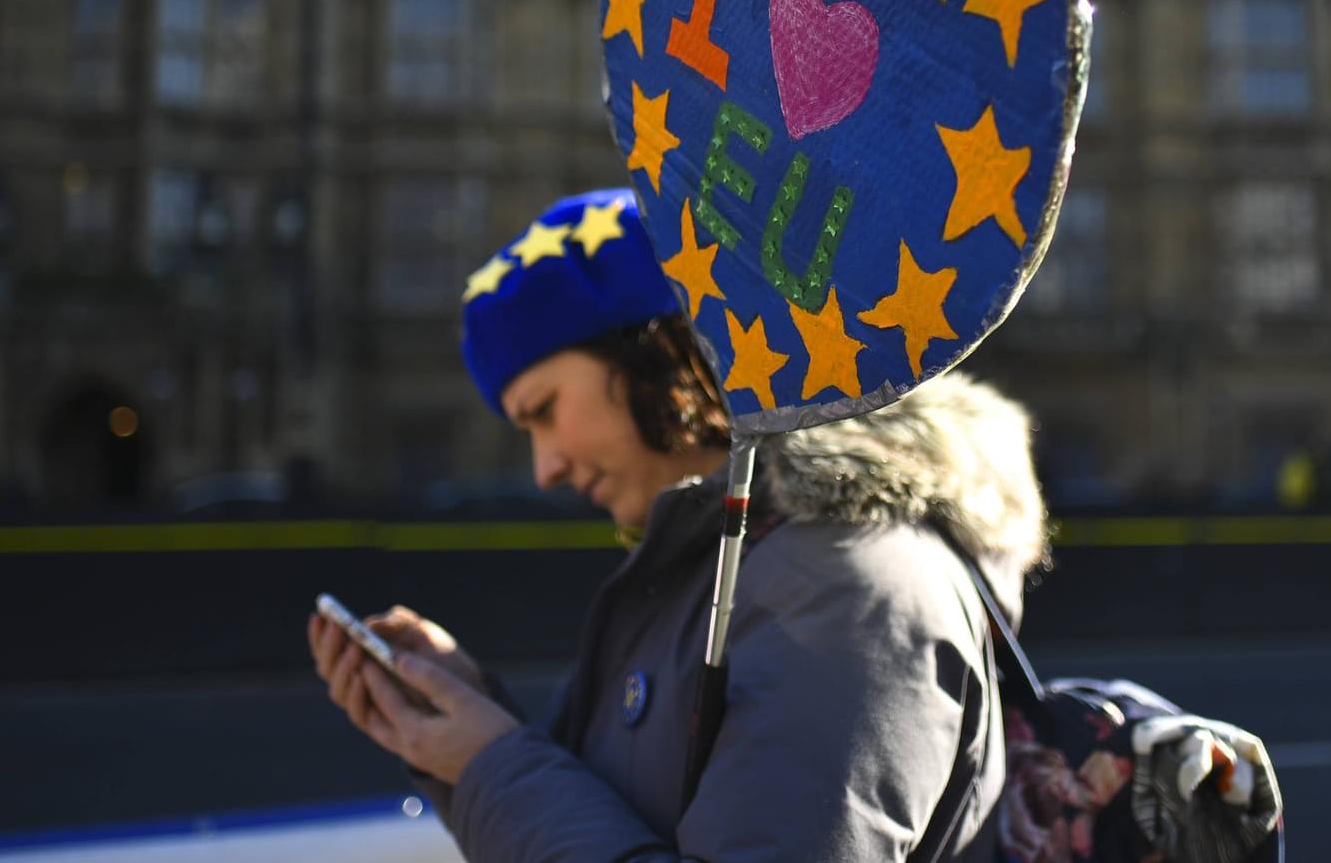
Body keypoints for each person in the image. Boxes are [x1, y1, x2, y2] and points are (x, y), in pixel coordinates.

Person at [308, 187, 1049, 861]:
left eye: (544, 412)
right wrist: (473, 724)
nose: (546, 470)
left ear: (657, 352)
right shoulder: (721, 563)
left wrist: (488, 764)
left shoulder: (843, 576)